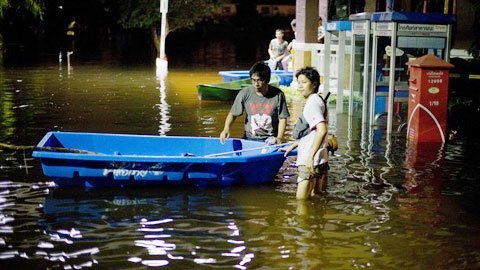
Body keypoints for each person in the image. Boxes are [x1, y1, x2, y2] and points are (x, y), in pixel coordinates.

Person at [282, 67, 329, 200]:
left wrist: (310, 157)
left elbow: (322, 129)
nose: (300, 86)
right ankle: (317, 220)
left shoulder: (312, 103)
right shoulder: (318, 100)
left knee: (301, 202)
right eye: (299, 82)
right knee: (317, 196)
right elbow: (313, 132)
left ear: (314, 84)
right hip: (321, 157)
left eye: (304, 82)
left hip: (310, 159)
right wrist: (295, 144)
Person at [219, 62, 290, 144]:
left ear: (267, 80)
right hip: (249, 138)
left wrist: (279, 138)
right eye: (253, 80)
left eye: (259, 80)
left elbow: (282, 118)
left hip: (270, 139)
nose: (256, 84)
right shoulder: (245, 93)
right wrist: (226, 129)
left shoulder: (278, 95)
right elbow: (233, 114)